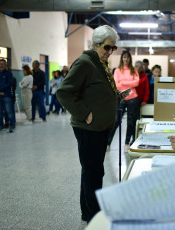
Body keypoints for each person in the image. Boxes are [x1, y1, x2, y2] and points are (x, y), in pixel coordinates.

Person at [57, 25, 127, 223]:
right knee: (93, 172)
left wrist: (115, 97)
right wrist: (84, 113)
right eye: (107, 47)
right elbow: (64, 92)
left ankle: (88, 212)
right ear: (95, 44)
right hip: (88, 128)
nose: (110, 52)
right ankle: (95, 218)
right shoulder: (85, 62)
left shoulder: (100, 62)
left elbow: (96, 90)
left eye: (113, 48)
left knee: (91, 170)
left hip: (100, 127)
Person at [107, 50, 140, 152]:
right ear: (122, 58)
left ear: (130, 59)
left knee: (131, 122)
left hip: (133, 98)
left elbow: (137, 83)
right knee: (116, 121)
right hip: (121, 98)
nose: (126, 59)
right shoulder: (117, 70)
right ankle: (108, 143)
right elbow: (116, 84)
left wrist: (123, 82)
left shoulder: (133, 70)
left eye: (128, 57)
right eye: (124, 57)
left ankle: (126, 143)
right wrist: (130, 83)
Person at [0, 59, 15, 133]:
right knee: (0, 111)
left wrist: (0, 90)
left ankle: (11, 126)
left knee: (8, 111)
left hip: (6, 95)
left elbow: (9, 83)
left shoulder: (9, 73)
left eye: (3, 64)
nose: (1, 65)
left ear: (5, 65)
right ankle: (1, 125)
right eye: (0, 63)